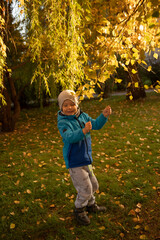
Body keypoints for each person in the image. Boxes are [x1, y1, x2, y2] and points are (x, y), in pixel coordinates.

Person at [57, 90, 112, 226]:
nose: (69, 108)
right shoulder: (63, 123)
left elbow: (96, 124)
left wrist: (103, 116)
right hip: (75, 162)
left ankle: (90, 204)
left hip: (86, 159)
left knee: (94, 185)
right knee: (85, 188)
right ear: (61, 107)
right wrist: (83, 131)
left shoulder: (83, 116)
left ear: (76, 104)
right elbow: (69, 137)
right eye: (65, 105)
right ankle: (79, 209)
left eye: (72, 104)